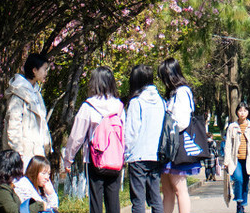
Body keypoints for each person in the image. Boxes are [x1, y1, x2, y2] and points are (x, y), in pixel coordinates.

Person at [63, 66, 125, 213]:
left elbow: (76, 136)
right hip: (115, 160)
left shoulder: (88, 106)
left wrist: (68, 159)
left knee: (96, 200)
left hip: (95, 159)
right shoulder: (119, 106)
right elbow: (124, 135)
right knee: (113, 201)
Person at [158, 58, 198, 213]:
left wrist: (167, 123)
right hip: (169, 146)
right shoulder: (173, 93)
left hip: (177, 145)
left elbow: (182, 121)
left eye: (164, 77)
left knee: (179, 189)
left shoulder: (182, 92)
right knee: (167, 191)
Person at [124, 65, 164, 213]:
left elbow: (132, 132)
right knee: (155, 198)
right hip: (155, 155)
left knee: (138, 200)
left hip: (138, 156)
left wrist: (125, 153)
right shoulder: (161, 101)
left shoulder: (136, 102)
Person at [4, 53, 53, 165]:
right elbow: (13, 125)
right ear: (34, 70)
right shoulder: (18, 92)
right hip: (24, 155)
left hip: (36, 154)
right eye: (44, 69)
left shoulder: (36, 92)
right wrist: (19, 155)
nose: (46, 73)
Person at [223, 102, 250, 213]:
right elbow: (228, 144)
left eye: (244, 111)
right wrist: (226, 161)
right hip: (236, 160)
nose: (242, 113)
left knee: (245, 182)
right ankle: (239, 204)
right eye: (240, 111)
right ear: (237, 112)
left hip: (248, 160)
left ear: (248, 112)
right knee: (238, 179)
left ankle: (243, 205)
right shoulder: (232, 127)